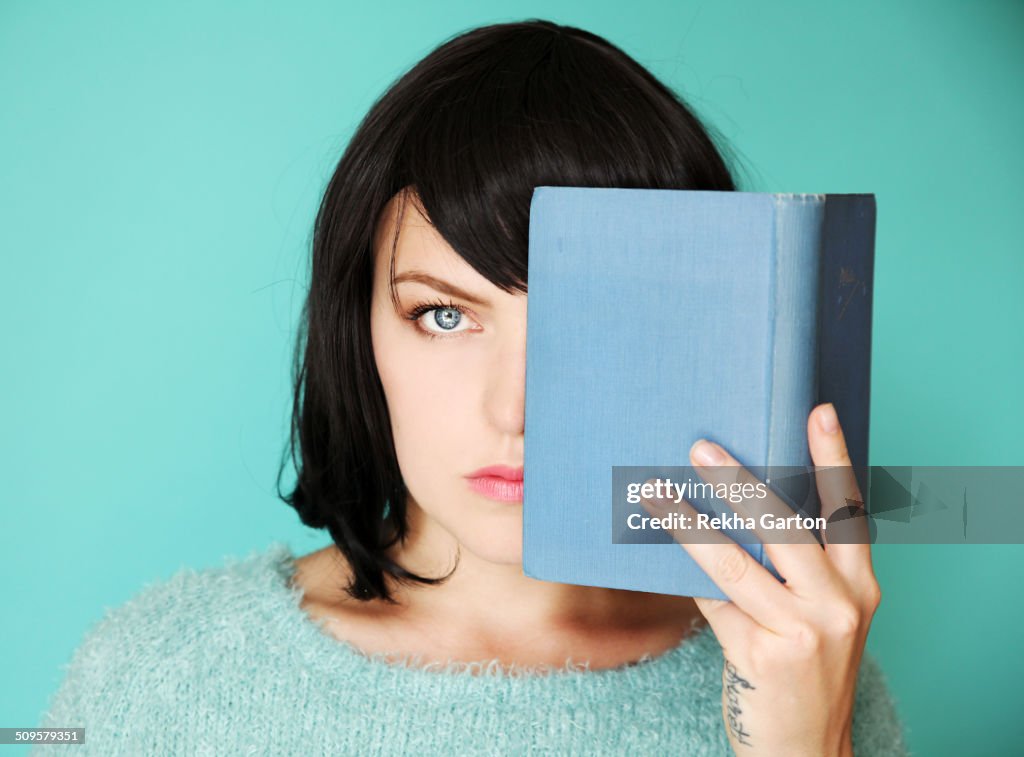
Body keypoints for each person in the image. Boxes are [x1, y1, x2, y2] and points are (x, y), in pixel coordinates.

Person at [36, 19, 908, 756]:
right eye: (445, 315)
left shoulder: (806, 670)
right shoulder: (155, 676)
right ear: (360, 326)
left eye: (593, 322)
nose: (515, 410)